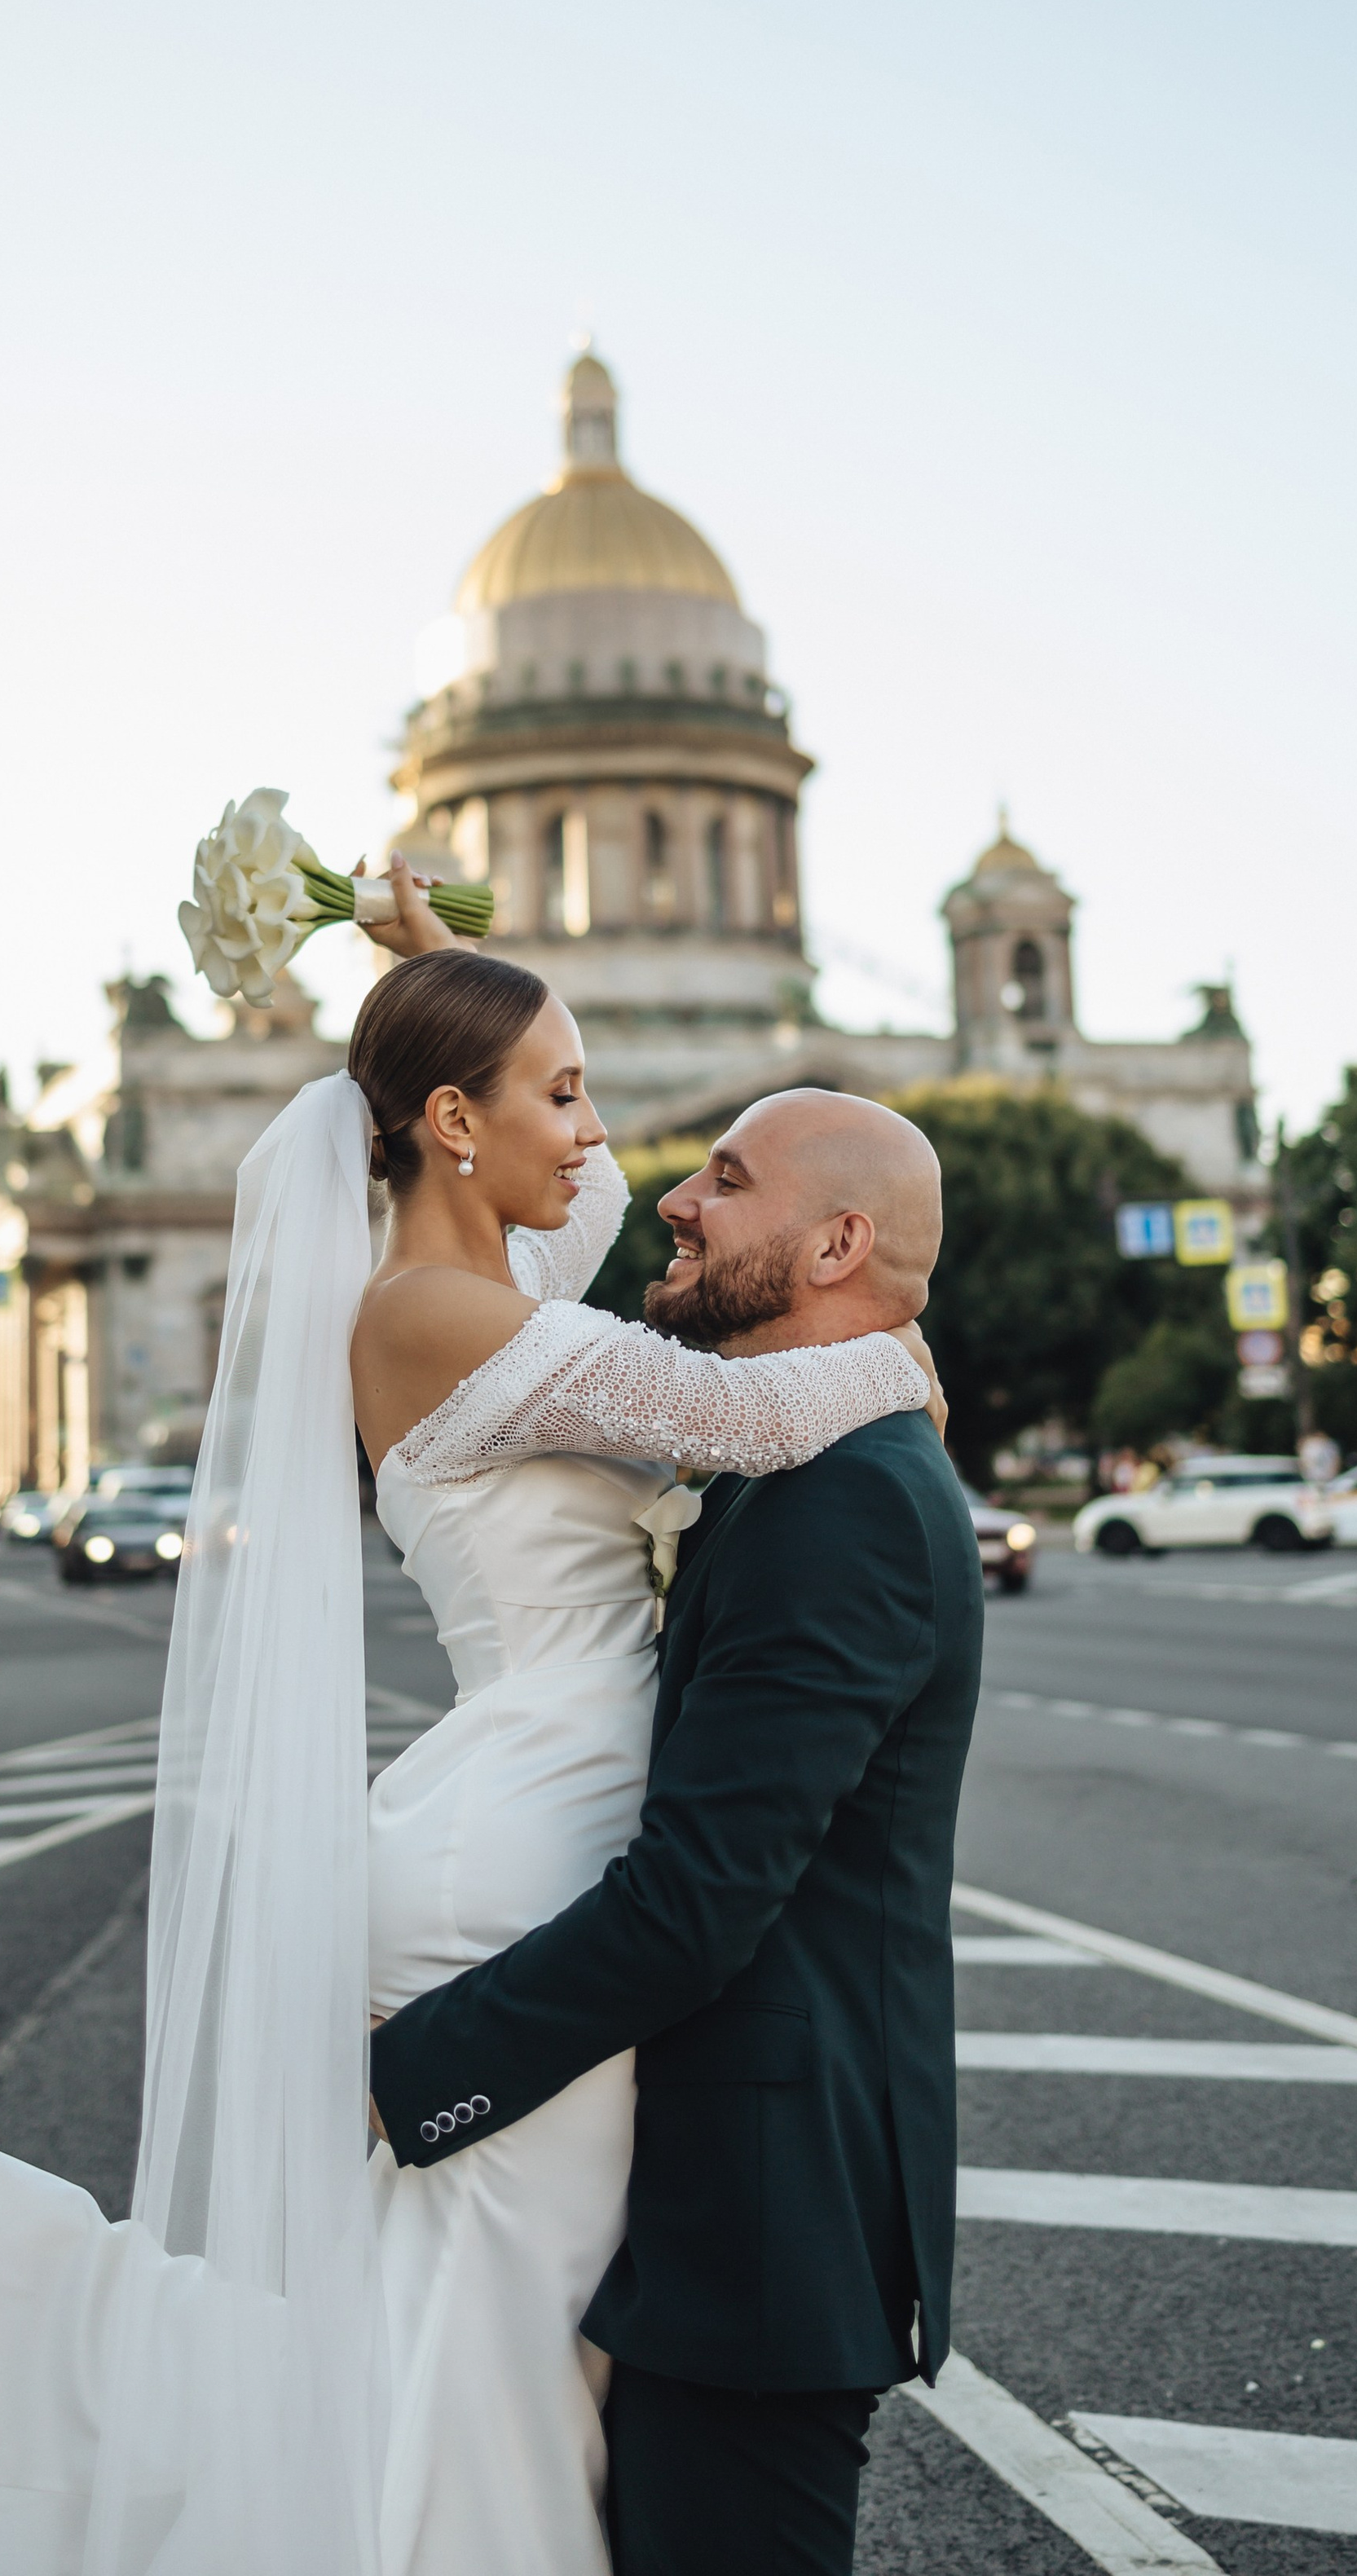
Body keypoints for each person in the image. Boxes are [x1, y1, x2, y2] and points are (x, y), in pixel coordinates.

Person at [0, 861, 944, 2576]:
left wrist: (451, 963)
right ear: (446, 1121)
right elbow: (718, 1401)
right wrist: (903, 1351)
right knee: (503, 2313)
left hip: (508, 1793)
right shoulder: (431, 1315)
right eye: (564, 1096)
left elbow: (578, 1225)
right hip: (530, 1818)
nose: (611, 1152)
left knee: (479, 2310)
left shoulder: (474, 1294)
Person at [368, 1015, 981, 2576]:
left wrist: (399, 2079)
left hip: (762, 2223)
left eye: (725, 1176)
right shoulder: (797, 1453)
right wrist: (431, 987)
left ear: (838, 1239)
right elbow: (585, 1207)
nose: (666, 1198)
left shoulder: (841, 1491)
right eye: (565, 1099)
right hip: (708, 2181)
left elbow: (703, 1897)